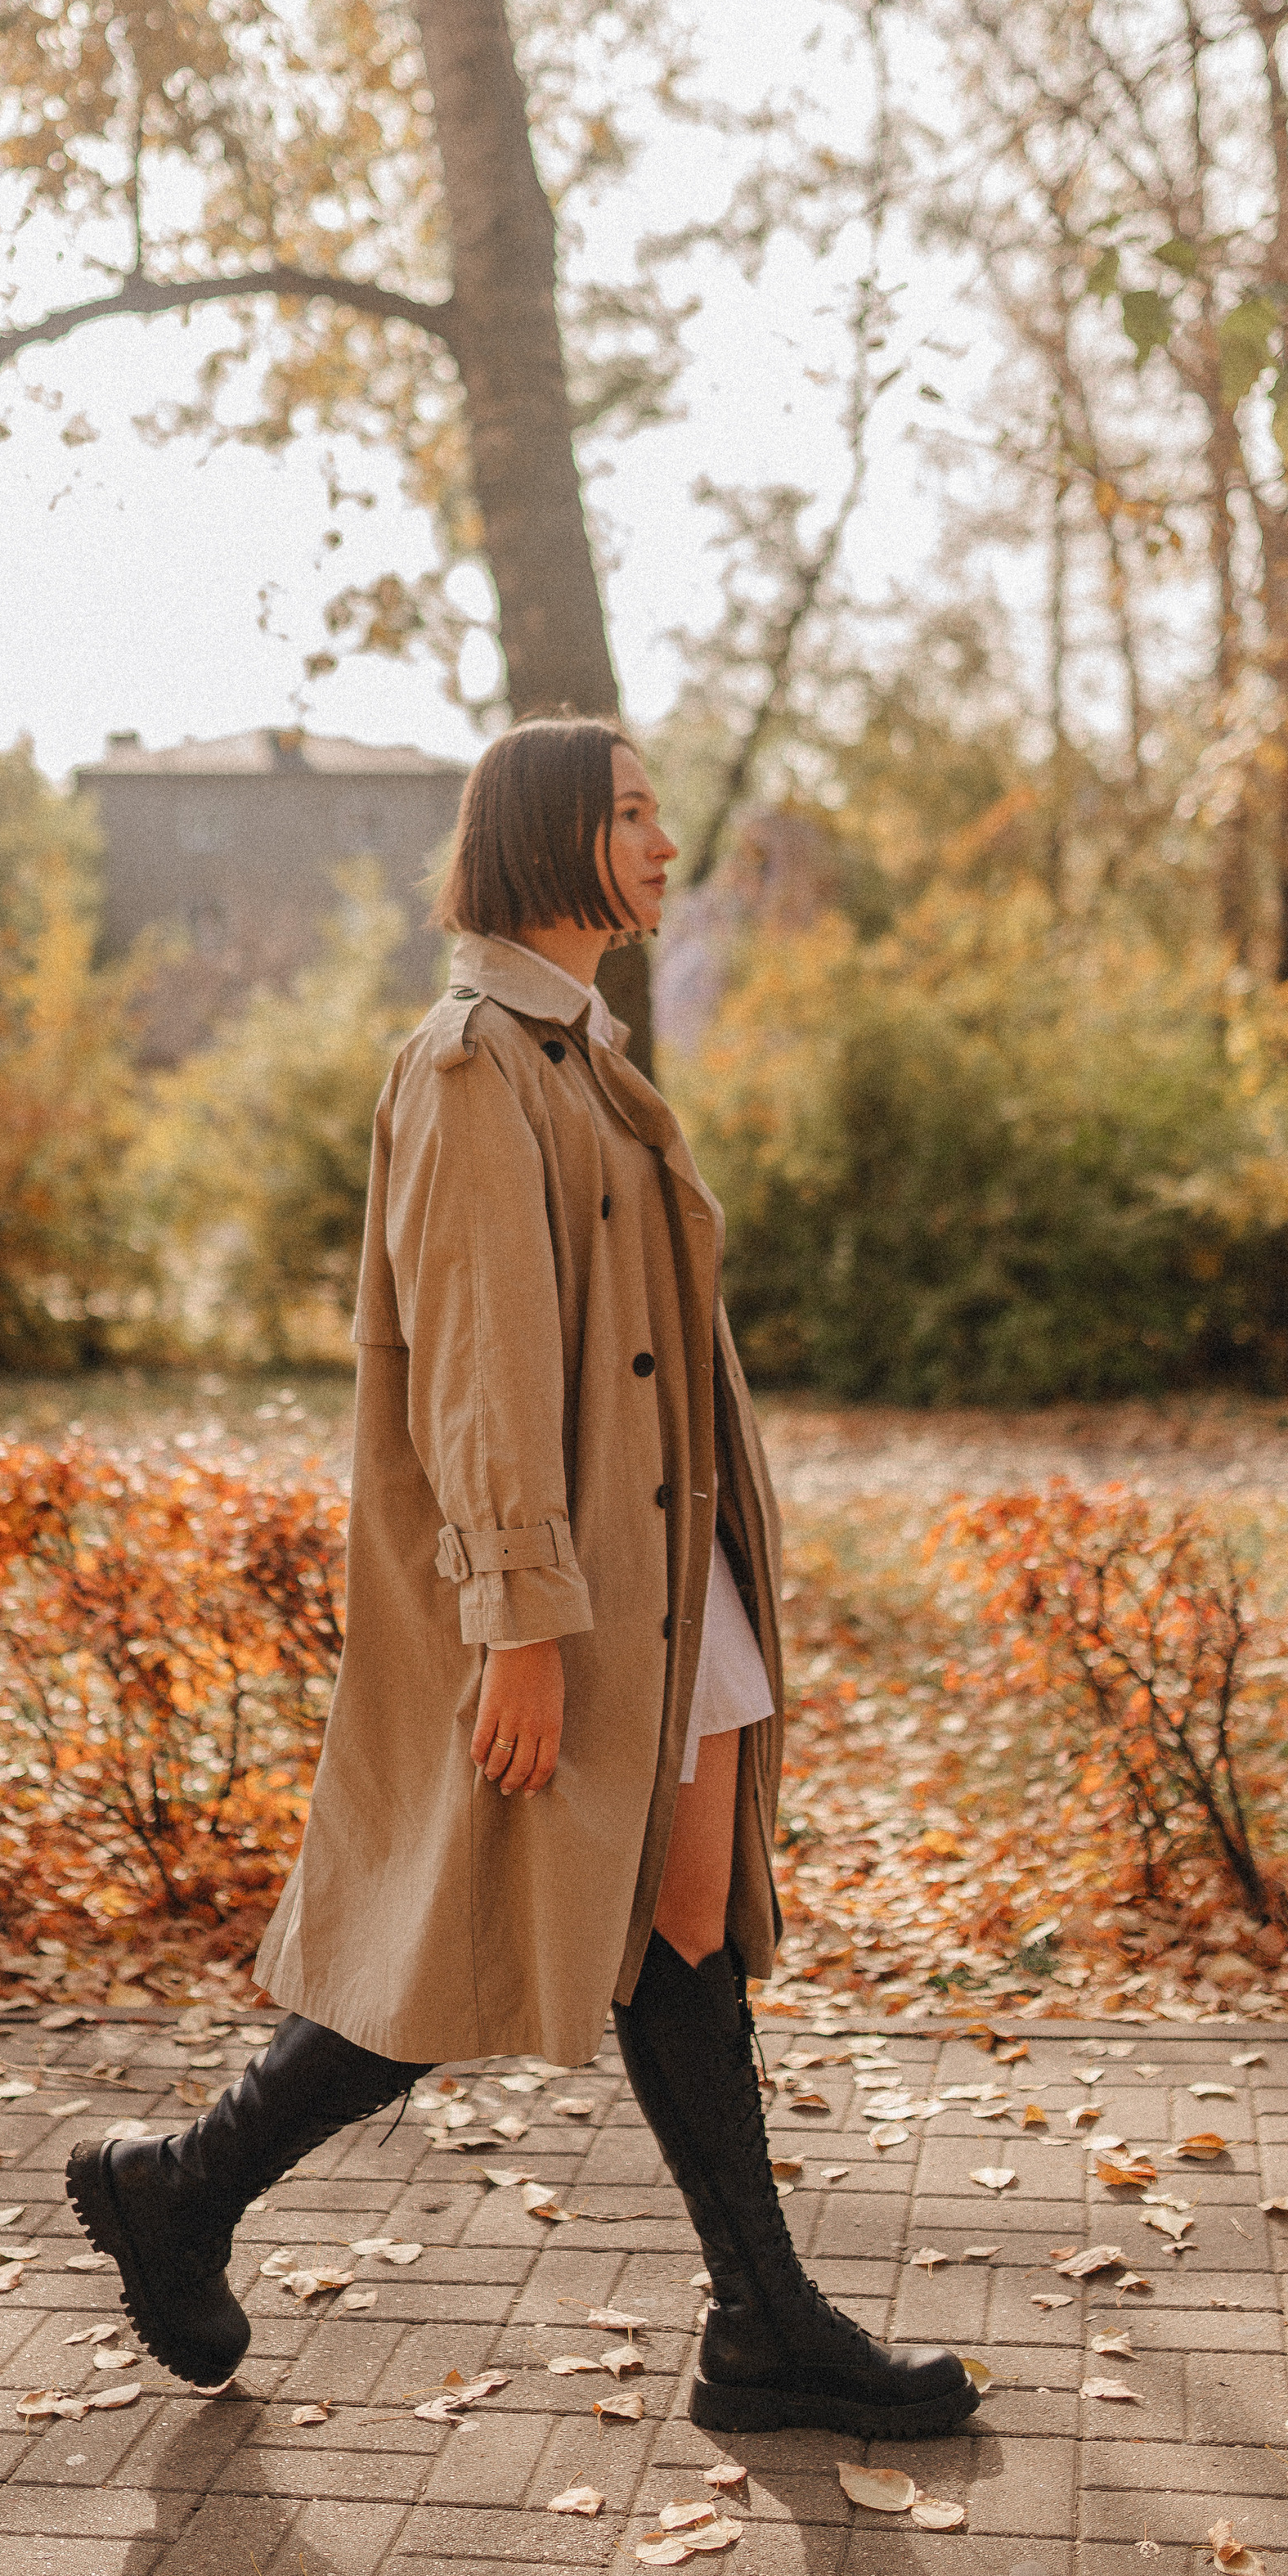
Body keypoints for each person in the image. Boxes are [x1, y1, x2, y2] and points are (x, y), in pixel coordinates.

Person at [67, 717, 976, 2442]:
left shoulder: (576, 1050)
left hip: (663, 1567)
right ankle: (182, 2189)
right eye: (626, 815)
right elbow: (478, 1366)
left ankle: (757, 2323)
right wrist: (521, 1625)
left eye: (654, 811)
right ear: (551, 839)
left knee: (681, 1916)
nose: (659, 839)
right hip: (572, 1590)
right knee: (478, 1925)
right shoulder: (475, 1062)